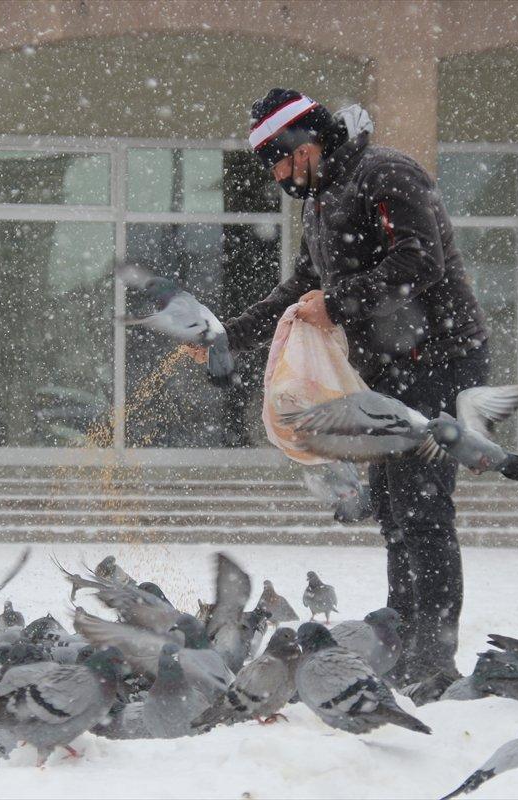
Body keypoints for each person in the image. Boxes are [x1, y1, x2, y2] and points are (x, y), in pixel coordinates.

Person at [186, 88, 489, 702]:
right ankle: (401, 639)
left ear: (305, 142)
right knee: (394, 510)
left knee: (424, 512)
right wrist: (229, 337)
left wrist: (341, 303)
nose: (276, 176)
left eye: (277, 160)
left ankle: (433, 660)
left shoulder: (387, 174)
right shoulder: (324, 201)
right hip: (385, 370)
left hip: (438, 357)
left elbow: (420, 261)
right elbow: (302, 287)